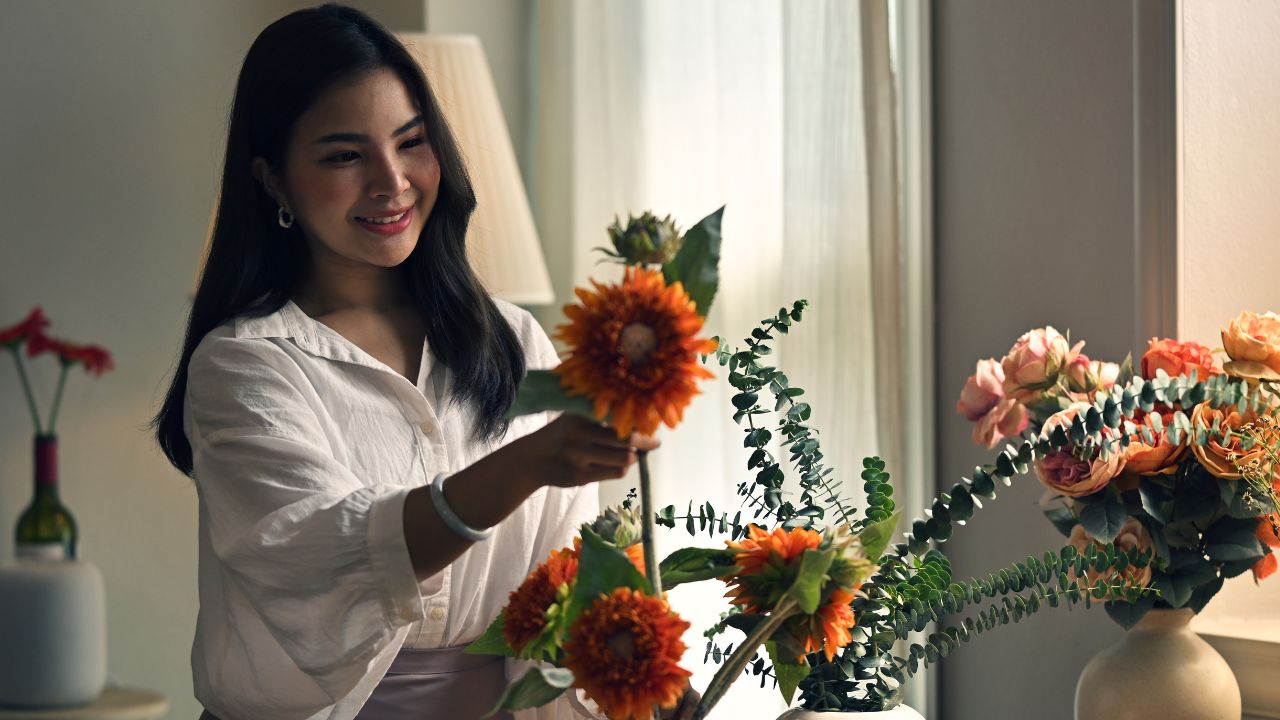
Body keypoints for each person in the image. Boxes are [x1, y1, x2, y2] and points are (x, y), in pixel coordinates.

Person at [153, 5, 690, 719]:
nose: (392, 181)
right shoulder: (246, 367)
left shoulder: (513, 341)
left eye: (411, 142)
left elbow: (560, 597)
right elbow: (323, 555)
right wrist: (526, 463)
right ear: (273, 180)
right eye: (345, 155)